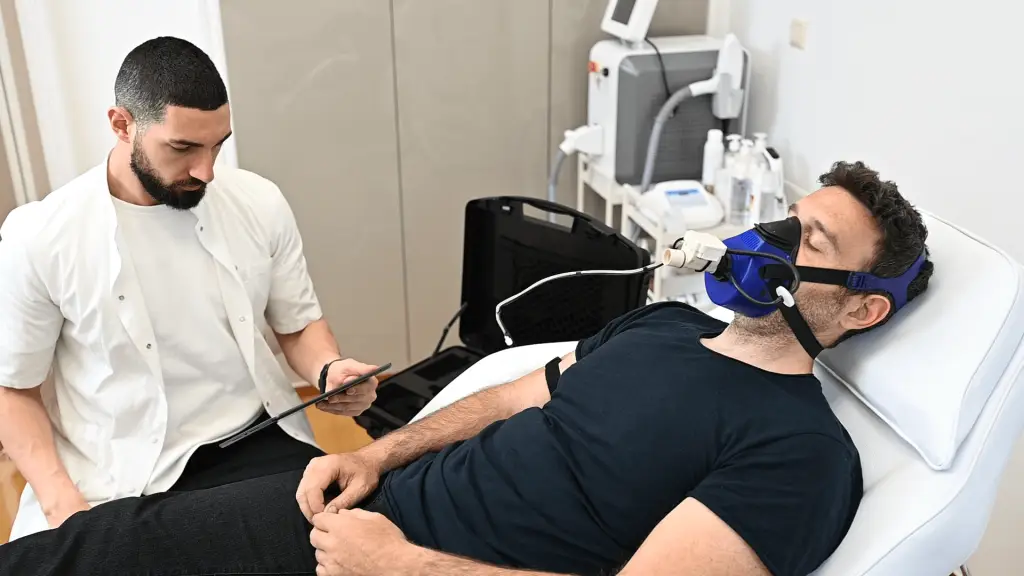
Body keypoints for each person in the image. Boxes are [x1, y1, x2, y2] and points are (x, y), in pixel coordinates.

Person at [0, 161, 934, 575]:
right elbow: (511, 396)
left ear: (860, 307)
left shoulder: (800, 452)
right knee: (116, 543)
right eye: (784, 214)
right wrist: (381, 457)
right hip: (371, 511)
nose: (765, 238)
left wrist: (401, 568)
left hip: (414, 565)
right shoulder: (660, 332)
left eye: (807, 238)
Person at [0, 36, 380, 540]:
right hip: (122, 475)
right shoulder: (42, 237)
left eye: (217, 145)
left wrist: (328, 369)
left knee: (355, 543)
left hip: (256, 440)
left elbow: (298, 324)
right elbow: (13, 388)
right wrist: (61, 504)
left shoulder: (258, 202)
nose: (206, 171)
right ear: (121, 124)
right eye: (182, 148)